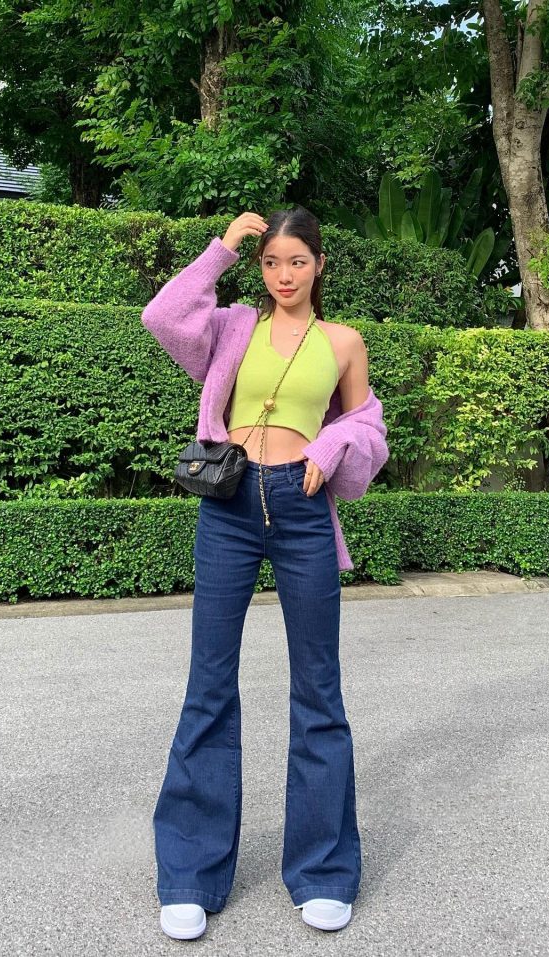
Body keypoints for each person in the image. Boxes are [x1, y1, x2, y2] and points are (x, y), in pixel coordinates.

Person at [140, 206, 389, 939]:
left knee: (318, 687)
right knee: (209, 684)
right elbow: (163, 316)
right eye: (272, 262)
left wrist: (332, 444)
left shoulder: (343, 342)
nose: (284, 274)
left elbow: (369, 426)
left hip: (303, 508)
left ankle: (323, 870)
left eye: (297, 261)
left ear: (319, 265)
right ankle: (190, 873)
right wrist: (221, 248)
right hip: (228, 503)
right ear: (261, 267)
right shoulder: (232, 328)